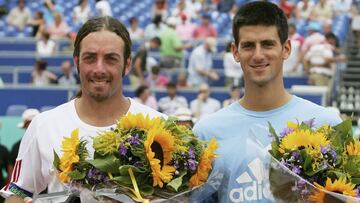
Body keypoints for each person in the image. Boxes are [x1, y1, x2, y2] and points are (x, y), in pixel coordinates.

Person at [0, 16, 165, 203]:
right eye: (90, 58)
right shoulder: (44, 126)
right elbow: (18, 192)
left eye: (111, 59)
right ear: (77, 61)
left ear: (127, 65)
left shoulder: (159, 126)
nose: (99, 68)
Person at [192, 2, 342, 202]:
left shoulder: (327, 123)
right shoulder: (207, 132)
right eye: (248, 46)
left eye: (267, 44)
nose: (258, 55)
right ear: (235, 52)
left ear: (286, 49)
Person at [9, 109, 40, 178]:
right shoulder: (16, 147)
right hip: (22, 186)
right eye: (29, 124)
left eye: (34, 123)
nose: (31, 127)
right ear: (25, 126)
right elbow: (11, 167)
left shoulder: (47, 144)